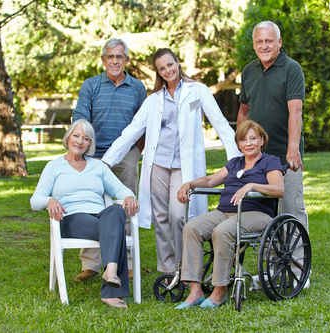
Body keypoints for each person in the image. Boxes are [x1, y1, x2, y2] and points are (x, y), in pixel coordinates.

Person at [102, 48, 242, 274]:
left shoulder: (198, 91)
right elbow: (132, 131)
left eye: (170, 64)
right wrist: (107, 161)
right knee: (161, 217)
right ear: (158, 73)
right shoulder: (154, 100)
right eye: (161, 68)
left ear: (177, 62)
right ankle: (168, 271)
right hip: (157, 165)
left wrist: (237, 159)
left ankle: (185, 267)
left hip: (183, 167)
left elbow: (220, 123)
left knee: (179, 215)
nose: (167, 70)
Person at [30, 119, 140, 309]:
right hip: (71, 218)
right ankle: (112, 290)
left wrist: (129, 197)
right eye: (76, 136)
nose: (80, 141)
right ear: (68, 137)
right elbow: (35, 200)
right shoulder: (54, 166)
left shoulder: (98, 166)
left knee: (115, 210)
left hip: (100, 217)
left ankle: (110, 270)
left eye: (86, 138)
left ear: (90, 143)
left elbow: (121, 190)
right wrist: (50, 200)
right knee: (116, 230)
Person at [174, 120, 284, 309]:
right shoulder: (235, 163)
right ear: (238, 144)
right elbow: (210, 180)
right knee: (192, 227)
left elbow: (278, 189)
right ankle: (195, 292)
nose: (248, 144)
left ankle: (220, 291)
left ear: (262, 140)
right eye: (243, 140)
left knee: (223, 231)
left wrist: (252, 186)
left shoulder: (270, 161)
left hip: (256, 214)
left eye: (253, 138)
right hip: (224, 212)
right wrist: (189, 184)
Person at [72, 38, 147, 282]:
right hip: (94, 154)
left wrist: (135, 152)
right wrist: (84, 152)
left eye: (119, 57)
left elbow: (143, 125)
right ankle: (91, 264)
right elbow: (80, 119)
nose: (114, 61)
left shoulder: (137, 87)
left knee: (126, 205)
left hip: (125, 155)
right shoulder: (90, 85)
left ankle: (128, 261)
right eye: (110, 57)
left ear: (126, 60)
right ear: (103, 60)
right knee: (91, 204)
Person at [237, 21, 308, 233]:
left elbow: (296, 111)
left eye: (269, 41)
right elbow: (243, 112)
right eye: (259, 41)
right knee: (261, 210)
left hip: (285, 154)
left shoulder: (292, 69)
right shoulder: (248, 71)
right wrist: (240, 146)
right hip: (257, 156)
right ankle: (272, 263)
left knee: (291, 209)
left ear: (279, 42)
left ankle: (298, 265)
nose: (264, 46)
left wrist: (293, 149)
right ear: (253, 44)